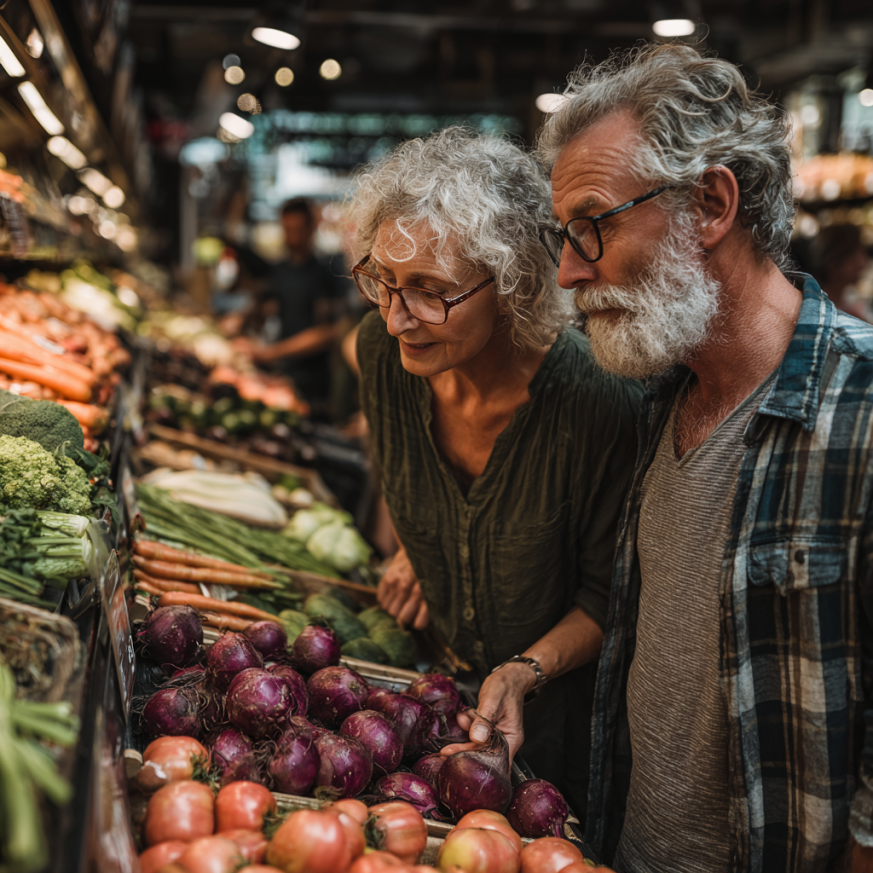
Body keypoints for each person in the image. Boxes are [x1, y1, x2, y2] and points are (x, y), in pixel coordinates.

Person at [530, 43, 873, 873]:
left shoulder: (860, 411)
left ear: (710, 203)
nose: (571, 271)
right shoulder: (658, 396)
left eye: (592, 226)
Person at [347, 126, 642, 818]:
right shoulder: (383, 359)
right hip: (431, 719)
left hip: (555, 743)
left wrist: (523, 668)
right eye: (383, 282)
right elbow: (424, 495)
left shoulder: (598, 402)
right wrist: (423, 550)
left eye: (429, 290)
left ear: (513, 282)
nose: (397, 318)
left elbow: (611, 596)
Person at [251, 199, 347, 413]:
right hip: (284, 374)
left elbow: (329, 331)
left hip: (316, 382)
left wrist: (272, 352)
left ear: (311, 228)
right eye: (287, 229)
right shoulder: (280, 270)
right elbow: (267, 308)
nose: (292, 236)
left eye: (297, 229)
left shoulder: (327, 272)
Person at [812, 224, 872, 321]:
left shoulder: (850, 306)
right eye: (853, 255)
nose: (862, 262)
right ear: (833, 261)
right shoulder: (817, 308)